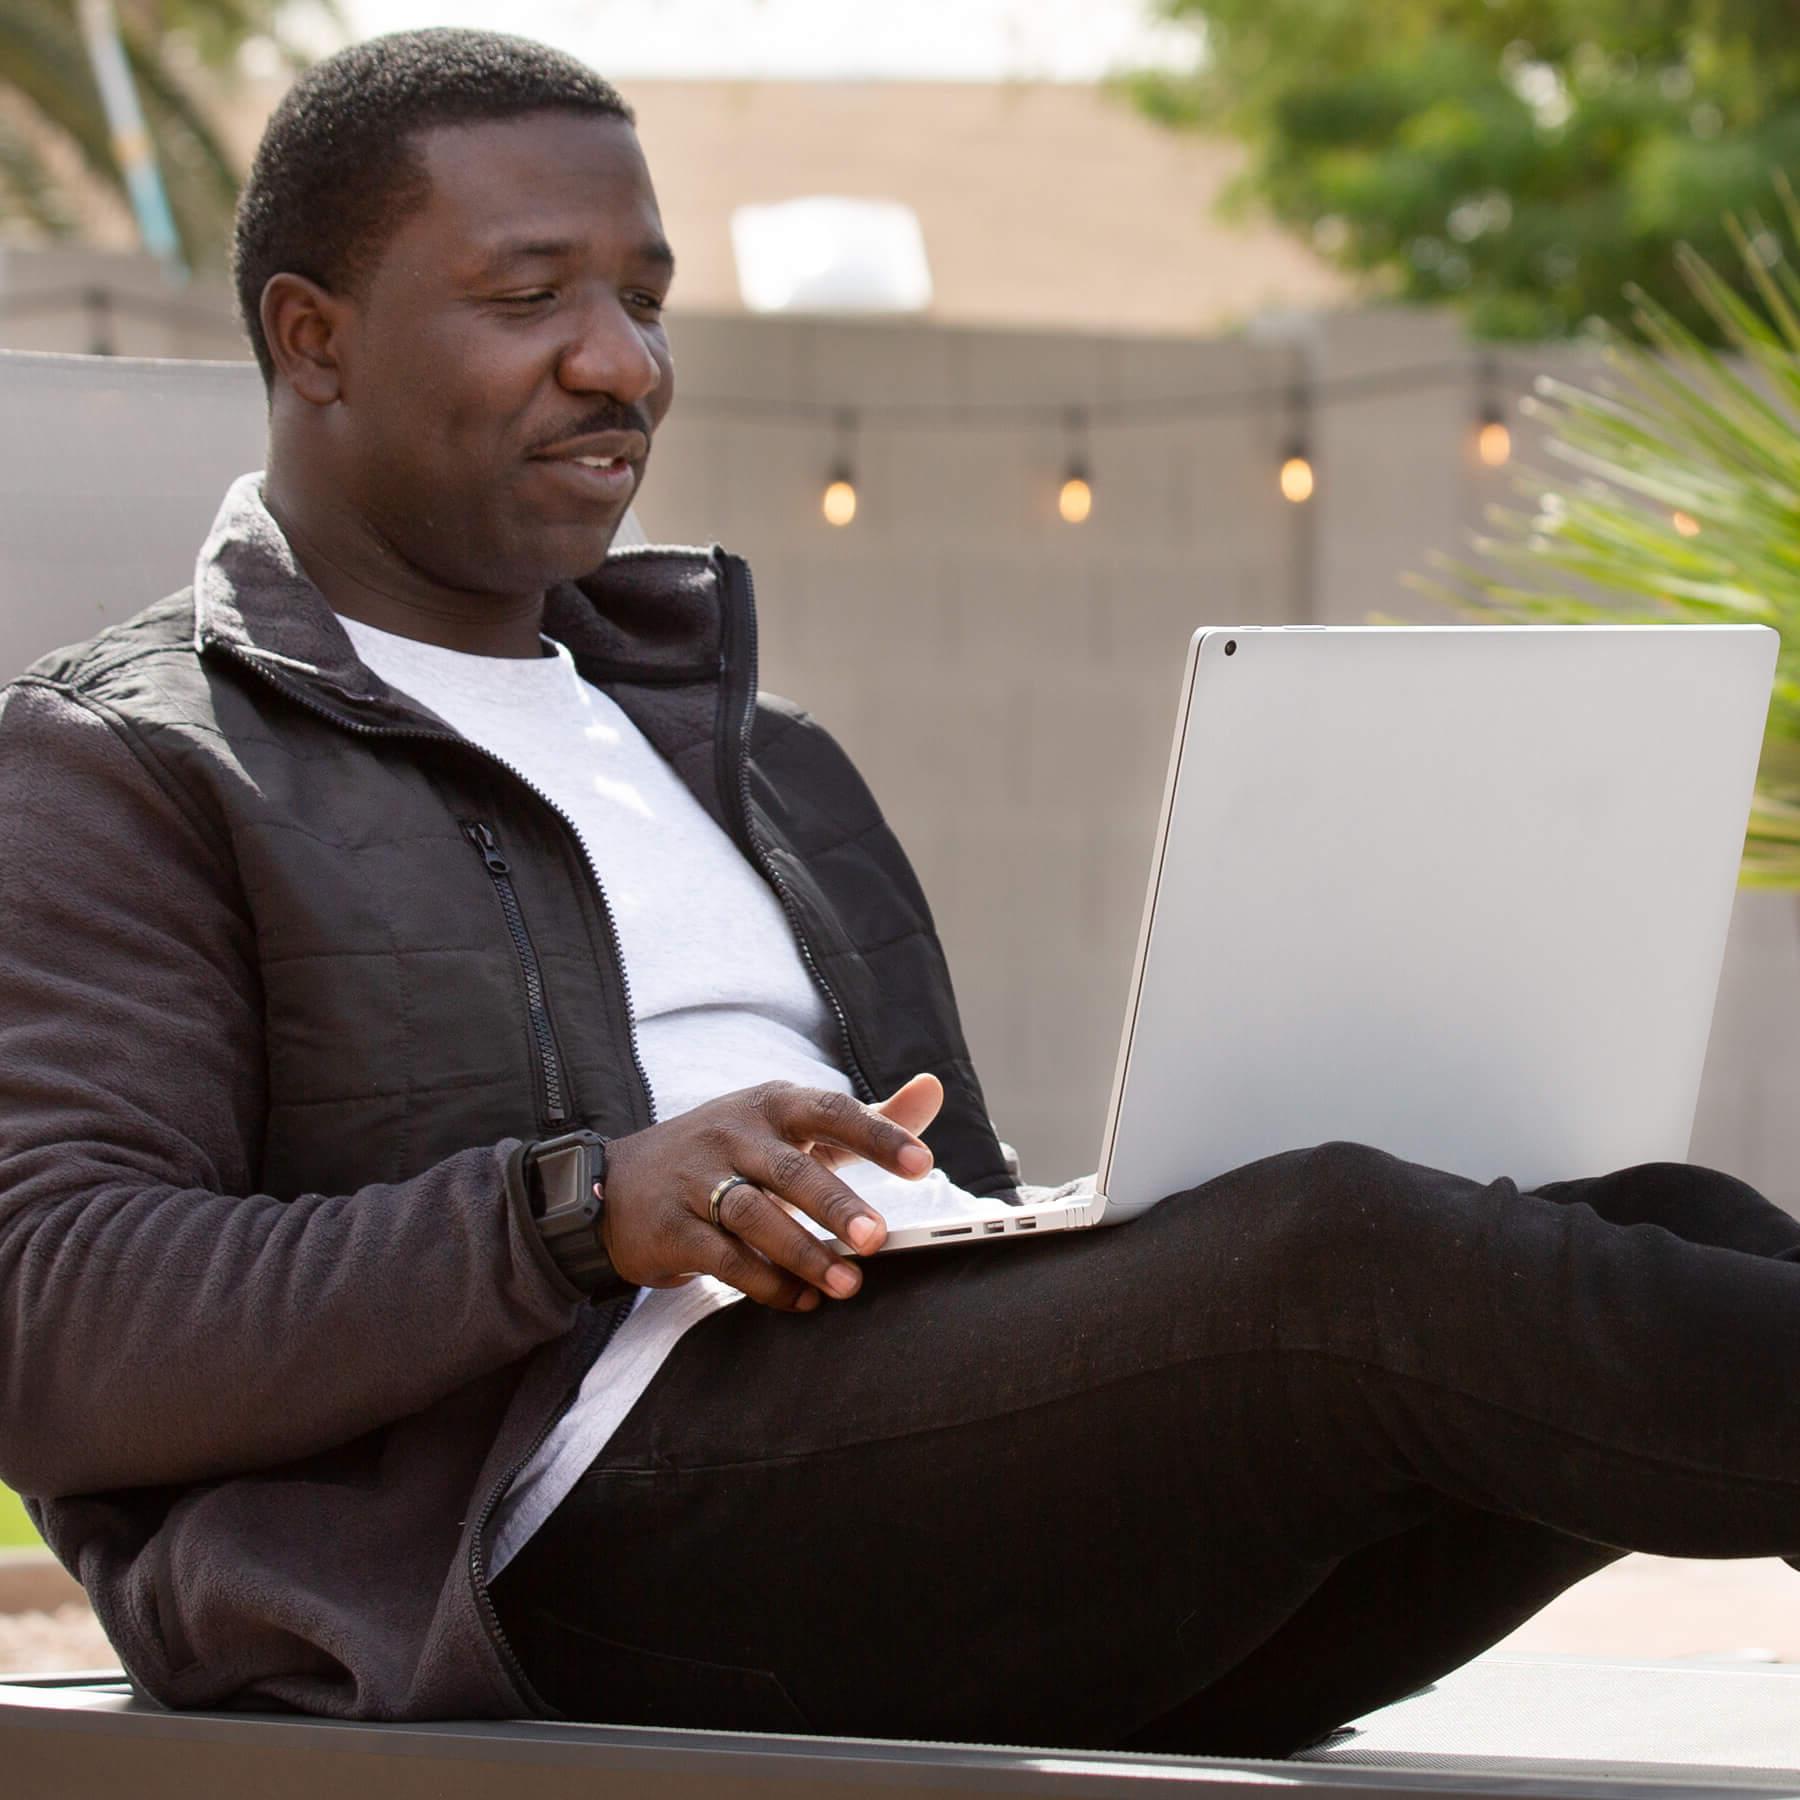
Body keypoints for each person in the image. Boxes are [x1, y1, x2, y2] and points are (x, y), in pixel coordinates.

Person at [2, 26, 1797, 1759]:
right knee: (1346, 1263)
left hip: (913, 1502)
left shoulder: (764, 758)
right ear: (311, 340)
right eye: (531, 295)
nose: (620, 361)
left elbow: (951, 1196)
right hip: (543, 1553)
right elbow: (56, 1314)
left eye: (643, 296)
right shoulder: (132, 763)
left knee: (1677, 1218)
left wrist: (1070, 1235)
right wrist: (578, 1212)